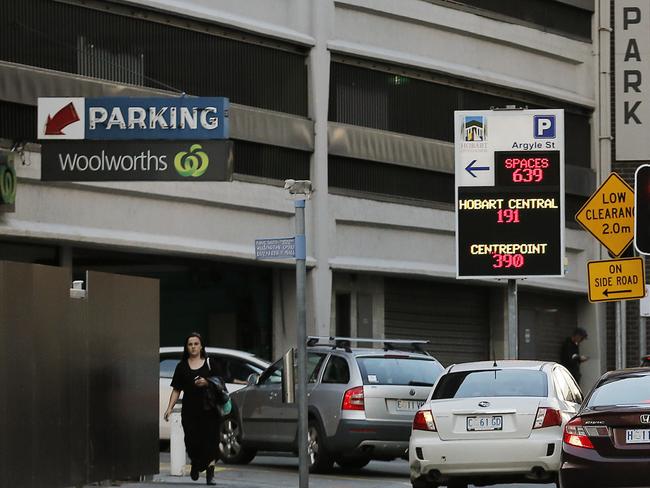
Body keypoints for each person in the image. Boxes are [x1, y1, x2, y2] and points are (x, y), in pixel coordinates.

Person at [164, 333, 222, 485]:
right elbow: (176, 389)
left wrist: (207, 382)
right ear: (186, 347)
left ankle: (210, 475)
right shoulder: (181, 366)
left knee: (210, 442)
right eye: (190, 344)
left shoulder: (210, 364)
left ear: (201, 346)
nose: (193, 347)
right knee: (192, 442)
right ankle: (196, 464)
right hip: (190, 411)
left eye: (196, 344)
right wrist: (169, 408)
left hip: (209, 410)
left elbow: (219, 382)